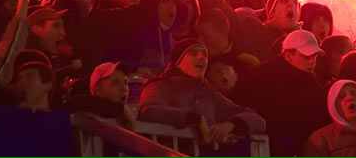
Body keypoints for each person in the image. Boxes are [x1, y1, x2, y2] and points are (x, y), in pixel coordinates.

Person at [138, 39, 266, 146]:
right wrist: (193, 118)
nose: (201, 57)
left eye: (204, 54)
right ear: (178, 61)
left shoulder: (209, 94)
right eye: (193, 53)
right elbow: (148, 111)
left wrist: (231, 124)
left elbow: (257, 120)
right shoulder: (159, 86)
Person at [235, 29, 328, 157]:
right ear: (289, 55)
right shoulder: (261, 76)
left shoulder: (309, 81)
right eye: (307, 57)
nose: (312, 61)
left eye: (315, 56)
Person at [67, 62, 134, 127]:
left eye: (125, 82)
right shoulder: (85, 119)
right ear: (98, 90)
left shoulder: (123, 116)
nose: (124, 88)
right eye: (115, 82)